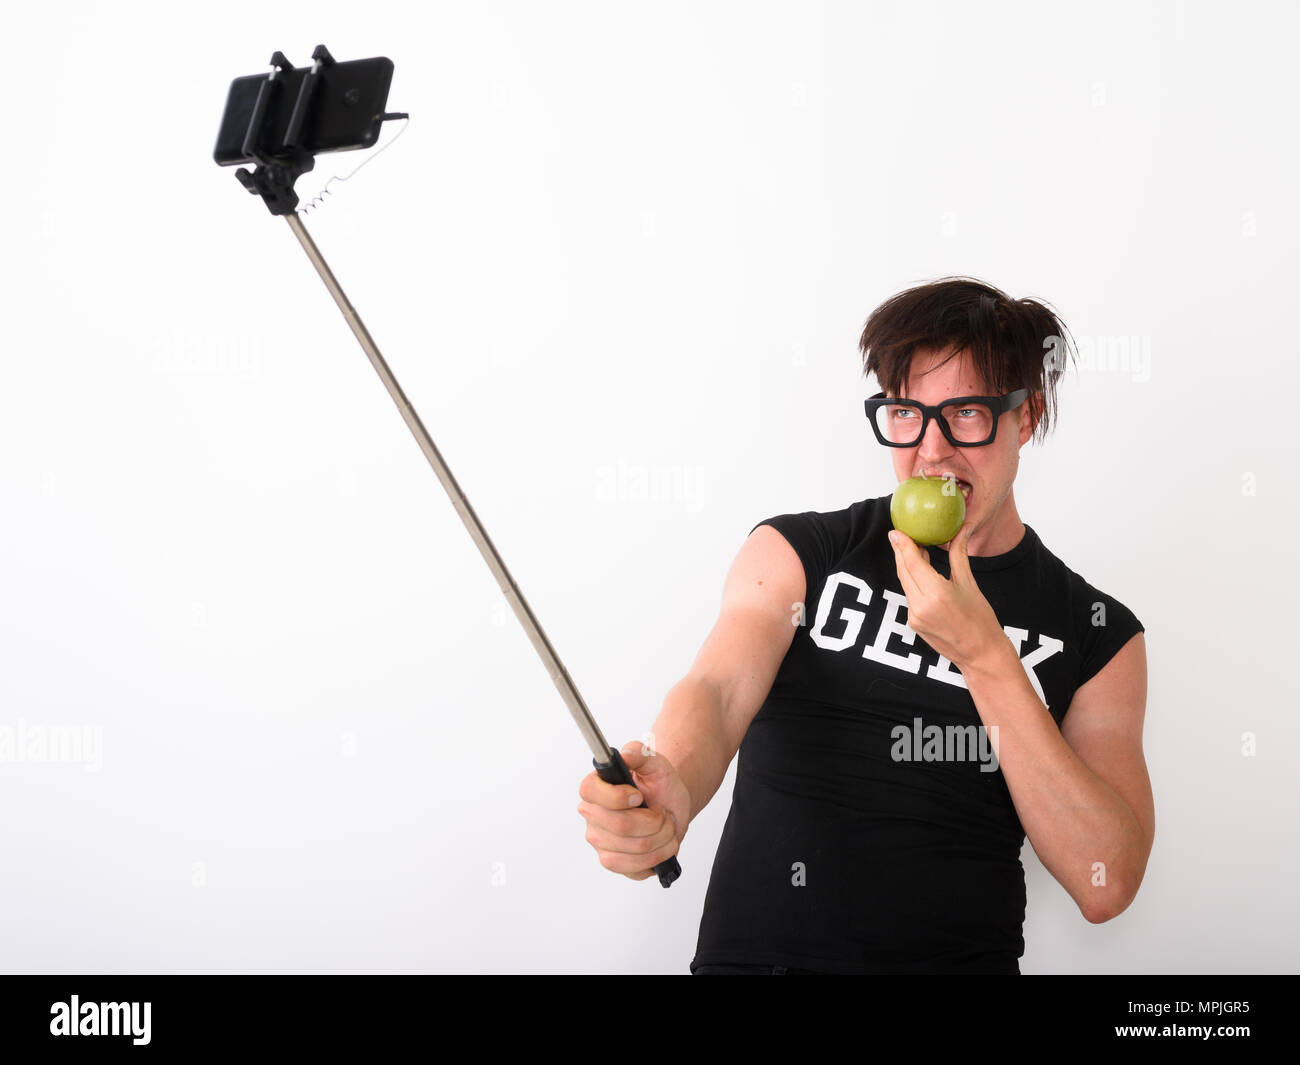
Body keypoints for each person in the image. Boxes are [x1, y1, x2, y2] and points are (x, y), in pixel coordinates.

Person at [576, 277, 1153, 974]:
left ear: (1025, 417)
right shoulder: (800, 552)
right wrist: (671, 782)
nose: (932, 451)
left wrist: (986, 655)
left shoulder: (1098, 633)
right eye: (909, 413)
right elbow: (718, 690)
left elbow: (1108, 878)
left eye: (966, 412)